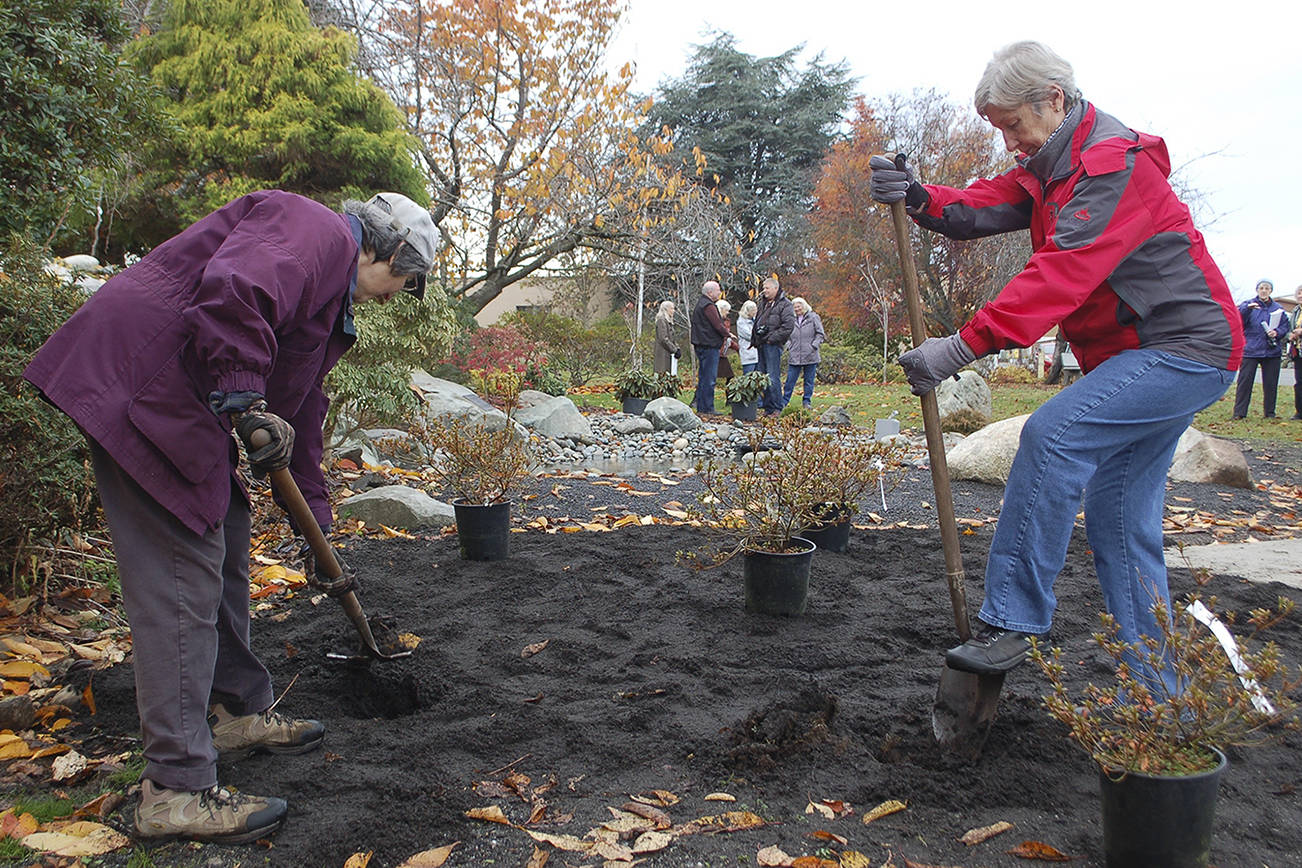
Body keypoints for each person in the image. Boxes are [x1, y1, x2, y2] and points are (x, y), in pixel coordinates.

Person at [23, 190, 437, 843]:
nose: (393, 298)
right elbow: (236, 288)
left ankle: (232, 707)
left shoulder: (331, 298)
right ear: (387, 247)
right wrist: (244, 394)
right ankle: (177, 789)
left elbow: (299, 414)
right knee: (183, 571)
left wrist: (315, 528)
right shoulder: (318, 230)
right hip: (147, 380)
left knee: (231, 525)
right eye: (402, 282)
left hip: (185, 397)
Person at [869, 41, 1242, 688]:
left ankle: (1014, 620)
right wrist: (919, 196)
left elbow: (1058, 277)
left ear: (1054, 101)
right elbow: (981, 207)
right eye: (999, 128)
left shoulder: (1110, 169)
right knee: (1121, 525)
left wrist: (957, 350)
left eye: (1012, 123)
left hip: (1185, 349)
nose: (1008, 140)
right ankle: (1165, 705)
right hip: (1140, 355)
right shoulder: (1049, 166)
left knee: (1053, 436)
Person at [1232, 279, 1289, 419]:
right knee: (1244, 383)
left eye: (1267, 288)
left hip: (1271, 351)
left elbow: (1284, 327)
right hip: (1251, 350)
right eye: (1261, 288)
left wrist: (1277, 333)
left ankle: (1269, 413)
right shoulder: (1248, 305)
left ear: (1271, 291)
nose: (1264, 290)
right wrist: (1247, 309)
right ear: (1257, 290)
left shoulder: (1278, 308)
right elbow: (1239, 321)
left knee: (1271, 384)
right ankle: (1239, 413)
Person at [751, 277, 796, 415]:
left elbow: (788, 326)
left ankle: (777, 407)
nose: (764, 291)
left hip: (772, 345)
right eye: (763, 288)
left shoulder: (785, 304)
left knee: (772, 376)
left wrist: (771, 339)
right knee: (763, 377)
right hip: (761, 344)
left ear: (775, 288)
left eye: (767, 288)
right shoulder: (763, 304)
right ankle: (768, 407)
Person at [689, 280, 732, 414]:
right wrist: (727, 334)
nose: (720, 292)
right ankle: (708, 407)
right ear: (710, 292)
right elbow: (717, 324)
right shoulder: (708, 306)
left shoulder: (700, 304)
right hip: (709, 345)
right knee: (709, 378)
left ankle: (702, 406)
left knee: (703, 376)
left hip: (701, 344)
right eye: (718, 290)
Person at [782, 297, 825, 408]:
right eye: (795, 307)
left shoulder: (814, 317)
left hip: (810, 355)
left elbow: (820, 334)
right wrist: (789, 345)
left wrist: (814, 345)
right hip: (795, 355)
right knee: (790, 381)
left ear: (804, 306)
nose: (797, 309)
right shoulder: (791, 319)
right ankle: (784, 402)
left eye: (799, 306)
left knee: (809, 381)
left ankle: (807, 402)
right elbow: (786, 334)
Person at [653, 300, 681, 375]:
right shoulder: (661, 320)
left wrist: (677, 348)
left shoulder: (668, 321)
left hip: (668, 352)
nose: (673, 311)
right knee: (663, 374)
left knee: (669, 374)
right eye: (672, 309)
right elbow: (663, 338)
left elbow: (672, 337)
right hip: (663, 353)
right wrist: (674, 350)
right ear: (666, 309)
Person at [715, 297, 739, 385]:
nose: (728, 313)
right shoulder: (716, 321)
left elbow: (727, 340)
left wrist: (737, 347)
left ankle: (729, 397)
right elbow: (723, 335)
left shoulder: (726, 321)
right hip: (717, 353)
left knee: (730, 376)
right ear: (721, 309)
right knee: (710, 376)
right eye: (726, 310)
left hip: (722, 353)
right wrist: (728, 334)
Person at [736, 300, 760, 374]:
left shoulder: (754, 320)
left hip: (757, 353)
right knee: (748, 376)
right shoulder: (741, 322)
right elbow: (749, 335)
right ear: (747, 311)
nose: (755, 312)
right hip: (748, 353)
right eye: (753, 311)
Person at [1289, 285, 1302, 420]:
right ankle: (1300, 411)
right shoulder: (1295, 311)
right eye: (1299, 293)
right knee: (1299, 382)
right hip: (1298, 352)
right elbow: (1289, 329)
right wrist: (1290, 336)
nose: (1300, 296)